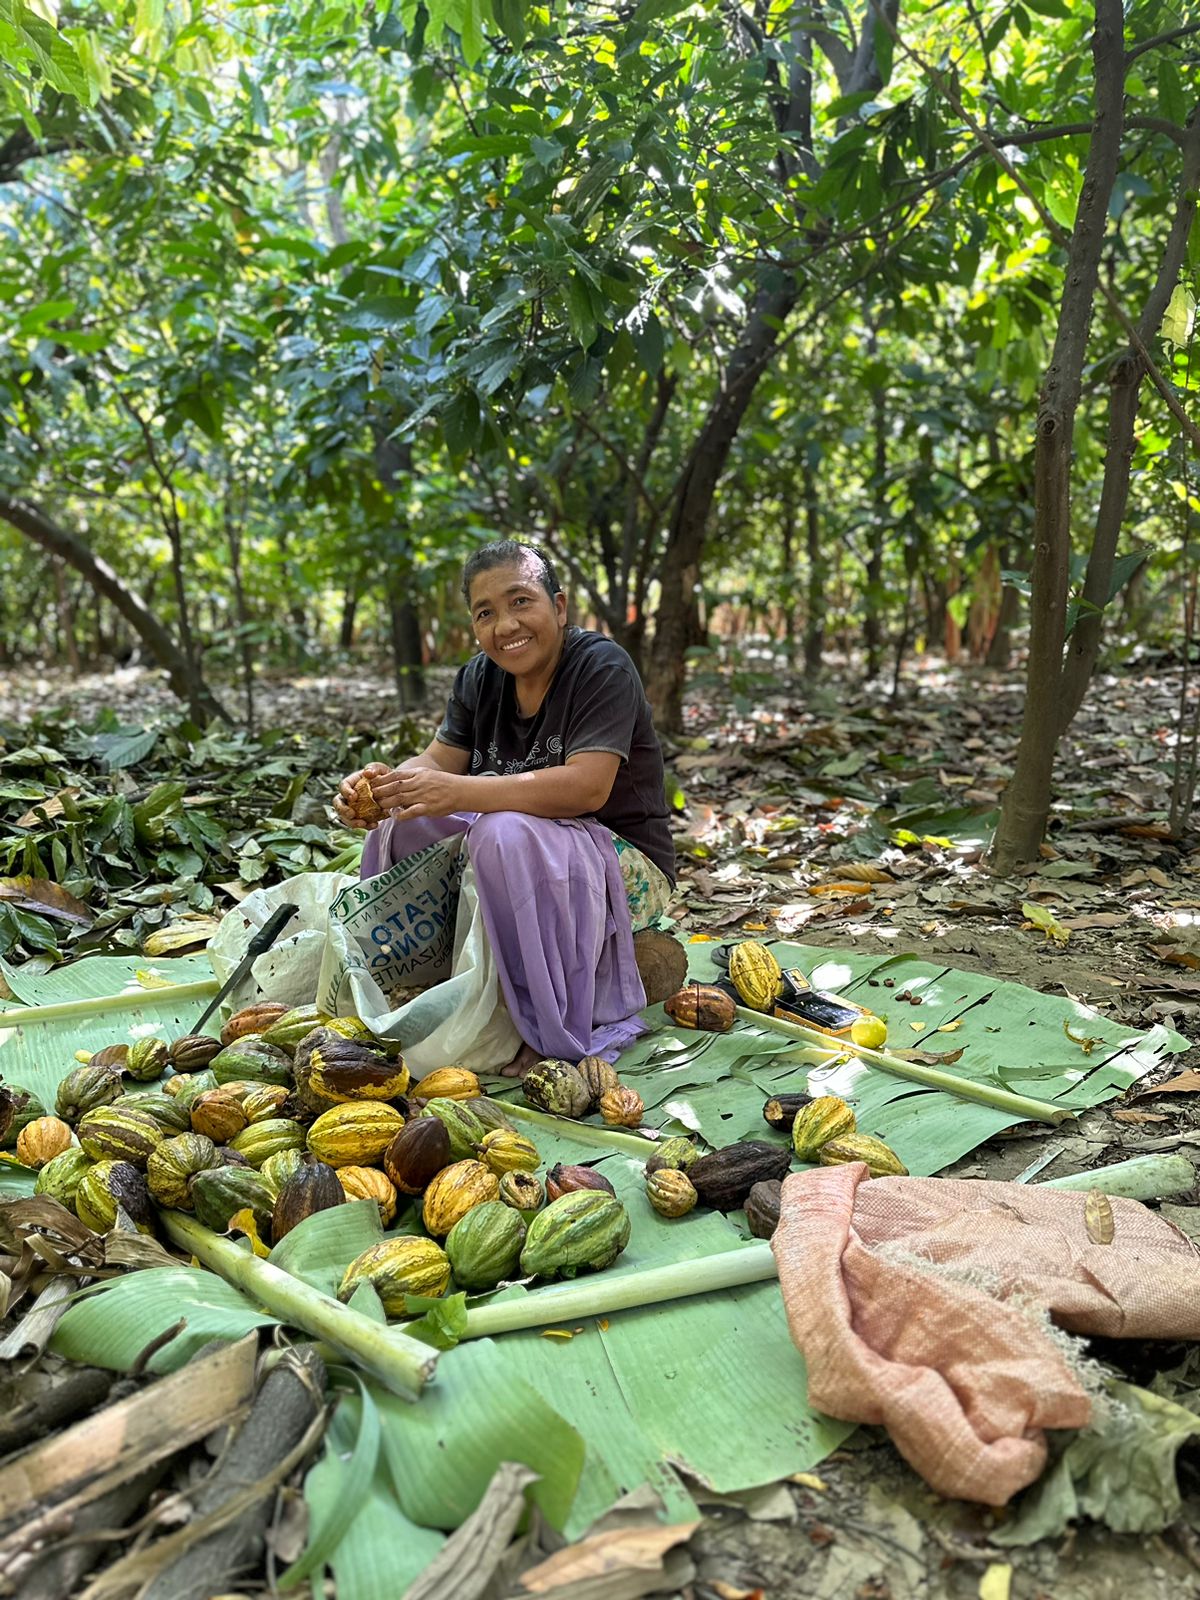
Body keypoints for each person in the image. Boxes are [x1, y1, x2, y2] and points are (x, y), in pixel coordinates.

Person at [335, 539, 678, 1075]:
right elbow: (436, 761)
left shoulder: (600, 666)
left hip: (625, 867)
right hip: (530, 845)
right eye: (486, 612)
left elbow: (587, 789)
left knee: (503, 833)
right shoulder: (480, 677)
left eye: (521, 602)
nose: (506, 625)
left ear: (558, 608)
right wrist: (382, 787)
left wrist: (466, 793)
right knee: (403, 822)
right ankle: (433, 986)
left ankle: (545, 1025)